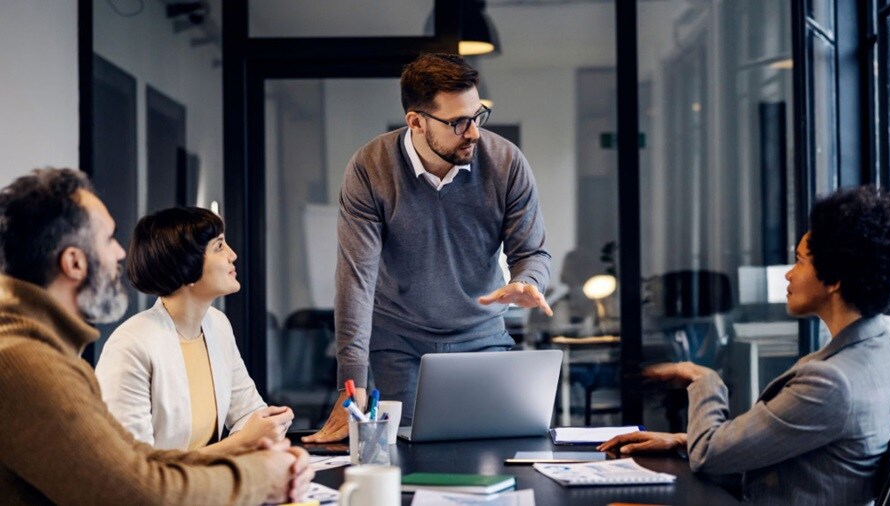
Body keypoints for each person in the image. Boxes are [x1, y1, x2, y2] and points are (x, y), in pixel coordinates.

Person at [0, 168, 313, 504]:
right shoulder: (25, 363)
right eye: (108, 239)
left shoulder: (41, 352)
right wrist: (259, 477)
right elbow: (136, 493)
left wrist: (262, 462)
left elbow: (139, 464)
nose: (121, 253)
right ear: (74, 263)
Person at [304, 53, 553, 443]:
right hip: (399, 344)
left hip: (481, 337)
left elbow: (532, 253)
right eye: (458, 122)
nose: (473, 132)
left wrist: (529, 281)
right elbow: (356, 280)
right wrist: (349, 385)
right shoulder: (371, 168)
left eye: (477, 116)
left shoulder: (506, 162)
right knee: (405, 458)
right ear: (416, 122)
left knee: (496, 456)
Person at [599, 186, 890, 504]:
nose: (789, 275)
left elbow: (709, 456)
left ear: (835, 278)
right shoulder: (879, 346)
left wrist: (704, 380)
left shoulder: (831, 382)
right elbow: (805, 450)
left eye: (799, 262)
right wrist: (682, 441)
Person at [96, 207, 294, 452]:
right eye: (219, 246)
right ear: (187, 266)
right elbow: (135, 468)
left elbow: (249, 412)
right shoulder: (130, 345)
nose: (233, 255)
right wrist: (241, 441)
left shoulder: (217, 324)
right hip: (163, 489)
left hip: (210, 483)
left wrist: (269, 425)